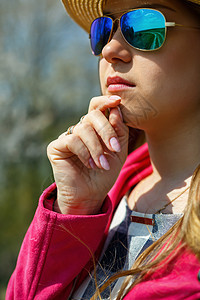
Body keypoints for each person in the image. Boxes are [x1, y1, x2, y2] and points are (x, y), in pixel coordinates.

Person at [6, 0, 200, 299]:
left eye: (146, 26)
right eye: (103, 30)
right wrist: (73, 214)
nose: (111, 49)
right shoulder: (102, 199)